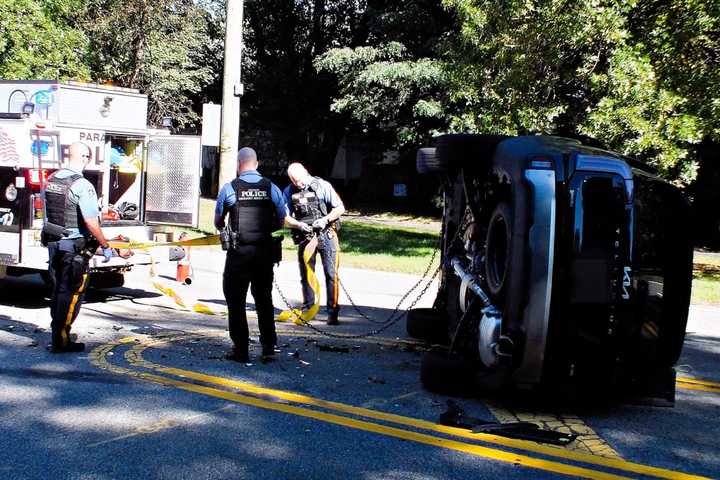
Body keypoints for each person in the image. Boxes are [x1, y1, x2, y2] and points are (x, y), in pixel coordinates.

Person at [215, 148, 311, 363]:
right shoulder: (272, 188)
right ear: (256, 164)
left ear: (239, 164)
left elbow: (218, 222)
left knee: (236, 302)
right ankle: (268, 347)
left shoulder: (230, 189)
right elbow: (282, 217)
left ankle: (241, 349)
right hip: (264, 255)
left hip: (239, 255)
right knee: (264, 301)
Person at [42, 142, 113, 353]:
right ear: (84, 157)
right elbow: (91, 222)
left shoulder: (52, 179)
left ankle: (57, 334)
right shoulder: (82, 185)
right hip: (73, 249)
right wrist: (105, 245)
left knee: (57, 290)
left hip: (54, 243)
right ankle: (61, 340)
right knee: (71, 293)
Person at [283, 162, 346, 325]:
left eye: (300, 180)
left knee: (331, 275)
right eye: (294, 181)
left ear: (306, 172)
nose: (298, 184)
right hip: (306, 237)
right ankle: (308, 309)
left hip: (327, 235)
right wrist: (298, 224)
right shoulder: (289, 191)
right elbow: (284, 216)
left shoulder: (323, 186)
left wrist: (325, 220)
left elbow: (340, 208)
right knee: (306, 275)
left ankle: (333, 312)